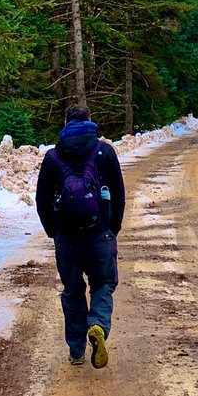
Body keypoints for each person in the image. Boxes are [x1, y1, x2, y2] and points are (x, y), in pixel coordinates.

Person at [35, 105, 125, 368]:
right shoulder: (104, 152)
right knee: (103, 284)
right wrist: (112, 228)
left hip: (67, 239)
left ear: (65, 123)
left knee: (73, 291)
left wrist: (54, 232)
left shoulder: (53, 157)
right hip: (100, 235)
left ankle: (76, 351)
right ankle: (97, 324)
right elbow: (119, 193)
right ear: (89, 121)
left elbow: (41, 200)